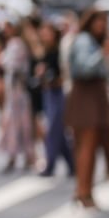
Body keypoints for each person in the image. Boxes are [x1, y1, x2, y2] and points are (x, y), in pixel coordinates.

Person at [66, 8, 109, 208]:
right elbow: (83, 68)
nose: (101, 25)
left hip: (93, 96)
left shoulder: (91, 41)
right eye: (98, 21)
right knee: (86, 146)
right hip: (86, 96)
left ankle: (84, 189)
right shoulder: (84, 41)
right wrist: (102, 54)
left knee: (89, 146)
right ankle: (83, 190)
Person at [37, 20, 74, 177]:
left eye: (48, 32)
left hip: (59, 92)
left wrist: (53, 80)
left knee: (53, 129)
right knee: (58, 131)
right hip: (49, 93)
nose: (45, 35)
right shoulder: (45, 51)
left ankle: (50, 164)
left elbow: (65, 73)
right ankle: (73, 164)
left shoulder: (60, 50)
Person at [0, 17, 36, 172]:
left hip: (18, 90)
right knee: (15, 124)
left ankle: (24, 156)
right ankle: (17, 156)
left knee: (20, 124)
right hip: (14, 91)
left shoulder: (17, 44)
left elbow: (10, 64)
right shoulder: (14, 44)